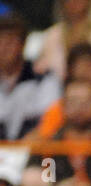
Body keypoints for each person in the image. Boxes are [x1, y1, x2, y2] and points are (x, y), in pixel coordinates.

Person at [0, 12, 60, 141]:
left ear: (22, 45)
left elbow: (52, 117)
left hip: (34, 149)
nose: (4, 48)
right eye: (0, 41)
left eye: (10, 42)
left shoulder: (42, 77)